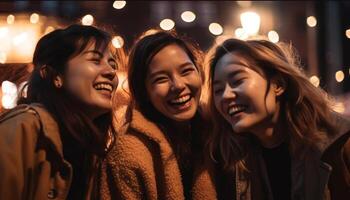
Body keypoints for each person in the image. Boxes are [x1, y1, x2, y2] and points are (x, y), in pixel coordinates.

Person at [207, 38, 350, 200]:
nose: (225, 95)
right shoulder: (229, 160)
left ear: (278, 85)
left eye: (237, 81)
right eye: (218, 90)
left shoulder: (340, 143)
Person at [0, 24, 126, 199]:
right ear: (55, 75)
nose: (111, 72)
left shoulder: (90, 147)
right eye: (95, 60)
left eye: (112, 63)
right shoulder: (22, 128)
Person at [102, 30, 217, 200]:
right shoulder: (127, 153)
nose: (178, 85)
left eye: (186, 71)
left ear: (199, 72)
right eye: (161, 79)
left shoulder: (218, 133)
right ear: (144, 91)